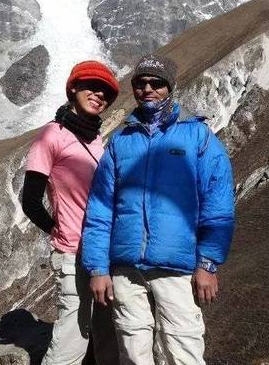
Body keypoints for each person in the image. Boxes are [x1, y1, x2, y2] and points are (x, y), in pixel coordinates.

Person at [81, 54, 235, 365]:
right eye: (140, 83)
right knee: (133, 354)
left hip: (177, 269)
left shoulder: (197, 136)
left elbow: (218, 205)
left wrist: (207, 263)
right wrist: (98, 268)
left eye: (156, 83)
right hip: (126, 269)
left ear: (170, 87)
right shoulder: (120, 141)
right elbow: (100, 208)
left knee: (184, 351)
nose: (148, 89)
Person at [22, 60, 120, 365]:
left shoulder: (96, 138)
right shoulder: (51, 136)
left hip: (104, 252)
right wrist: (60, 230)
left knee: (107, 335)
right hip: (73, 252)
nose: (99, 94)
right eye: (92, 86)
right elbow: (31, 201)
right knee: (73, 337)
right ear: (73, 88)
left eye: (105, 92)